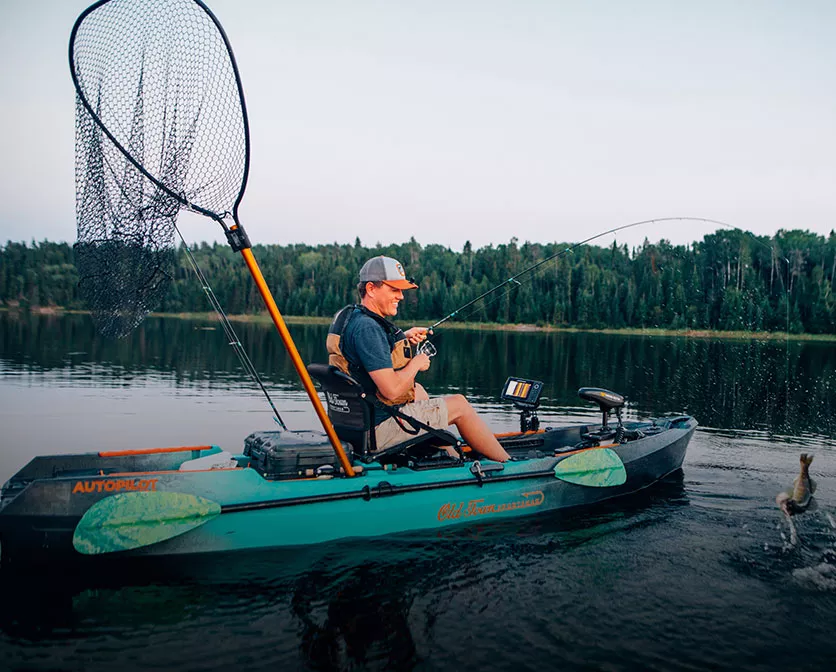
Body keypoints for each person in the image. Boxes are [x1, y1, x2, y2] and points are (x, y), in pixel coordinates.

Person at [327, 255, 510, 462]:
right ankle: (507, 464)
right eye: (394, 289)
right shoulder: (368, 328)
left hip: (354, 428)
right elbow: (391, 390)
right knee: (460, 405)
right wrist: (417, 363)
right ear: (371, 289)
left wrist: (403, 338)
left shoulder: (353, 318)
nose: (401, 296)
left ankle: (452, 459)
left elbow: (362, 356)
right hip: (376, 432)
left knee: (419, 391)